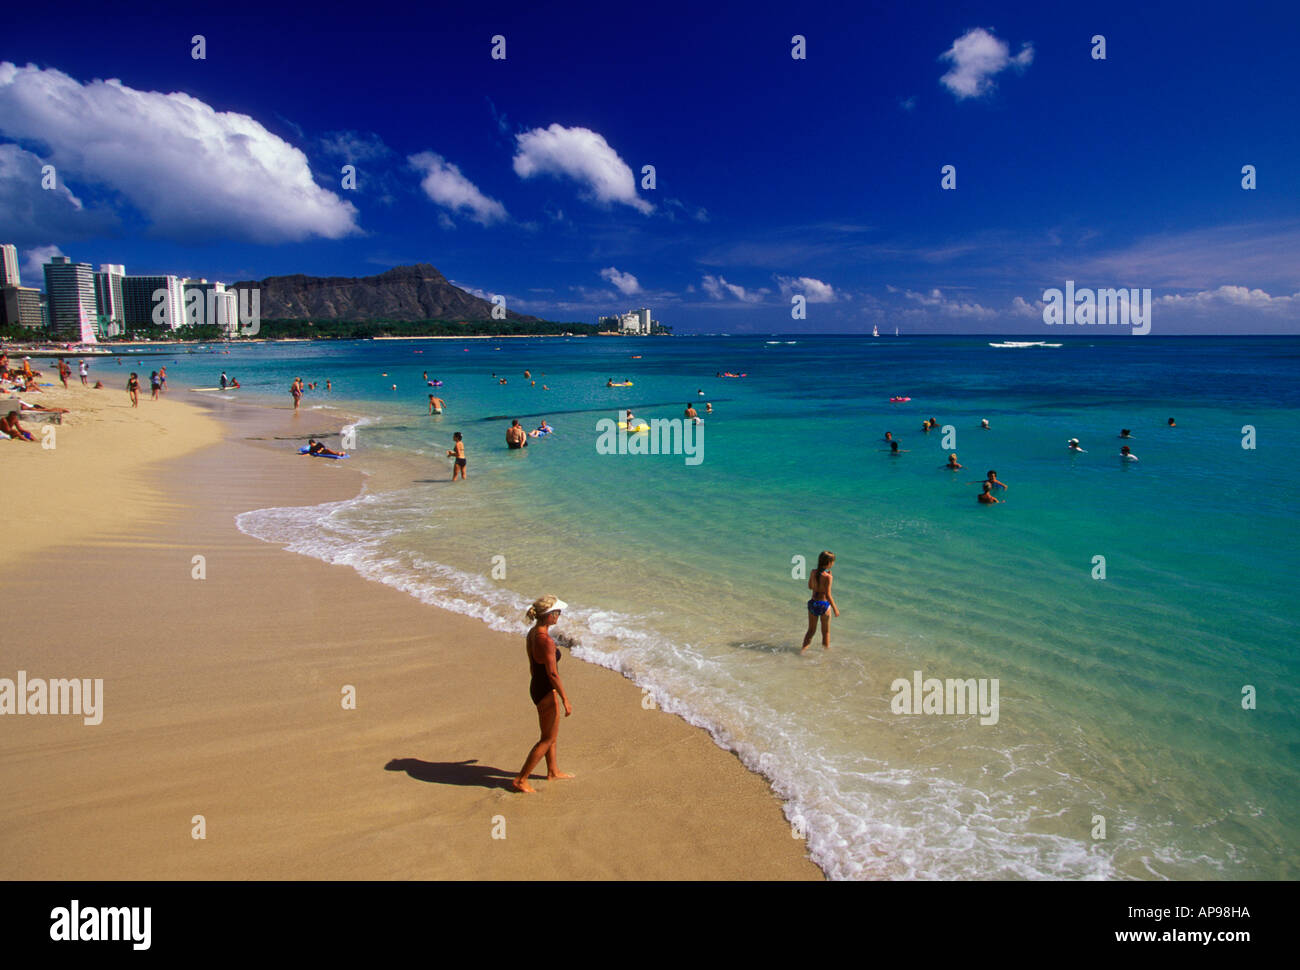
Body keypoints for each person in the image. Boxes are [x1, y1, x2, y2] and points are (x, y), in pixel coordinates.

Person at [512, 595, 574, 793]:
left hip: (537, 686)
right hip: (546, 689)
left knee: (550, 734)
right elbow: (553, 673)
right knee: (547, 739)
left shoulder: (533, 633)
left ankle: (552, 771)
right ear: (549, 615)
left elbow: (534, 665)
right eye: (557, 612)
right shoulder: (545, 641)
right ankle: (521, 779)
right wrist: (565, 698)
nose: (559, 615)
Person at [801, 551, 839, 652]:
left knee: (811, 631)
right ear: (829, 563)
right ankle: (825, 654)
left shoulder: (813, 572)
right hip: (823, 605)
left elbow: (810, 587)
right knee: (826, 632)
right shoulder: (828, 577)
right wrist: (835, 609)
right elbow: (828, 595)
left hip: (813, 604)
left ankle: (802, 651)